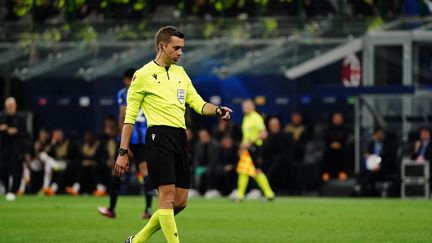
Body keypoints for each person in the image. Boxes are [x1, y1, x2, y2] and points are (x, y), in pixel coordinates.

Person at [113, 26, 232, 243]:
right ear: (162, 46)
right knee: (166, 199)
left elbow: (197, 103)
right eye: (176, 48)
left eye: (182, 48)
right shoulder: (142, 75)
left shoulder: (180, 73)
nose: (180, 52)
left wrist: (216, 110)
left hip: (179, 138)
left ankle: (136, 241)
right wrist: (123, 151)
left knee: (180, 202)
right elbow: (129, 118)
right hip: (158, 137)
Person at [98, 68, 154, 219]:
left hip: (129, 138)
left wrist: (125, 145)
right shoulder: (147, 91)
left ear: (126, 79)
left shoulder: (124, 93)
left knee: (117, 171)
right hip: (144, 138)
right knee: (145, 171)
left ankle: (111, 209)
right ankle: (148, 209)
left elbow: (123, 116)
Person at [235, 99, 275, 201]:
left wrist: (250, 142)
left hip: (256, 148)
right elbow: (246, 136)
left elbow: (263, 133)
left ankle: (269, 194)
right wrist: (242, 147)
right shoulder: (246, 118)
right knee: (243, 171)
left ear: (253, 107)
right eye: (244, 107)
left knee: (257, 171)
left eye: (247, 106)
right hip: (247, 149)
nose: (245, 108)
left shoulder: (256, 117)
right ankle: (240, 195)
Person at [0, 97, 29, 201]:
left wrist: (16, 131)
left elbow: (26, 134)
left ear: (15, 106)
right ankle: (7, 189)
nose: (10, 108)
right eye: (8, 106)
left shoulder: (21, 118)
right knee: (3, 170)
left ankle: (13, 191)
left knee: (16, 171)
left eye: (12, 106)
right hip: (4, 148)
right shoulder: (2, 116)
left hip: (16, 149)